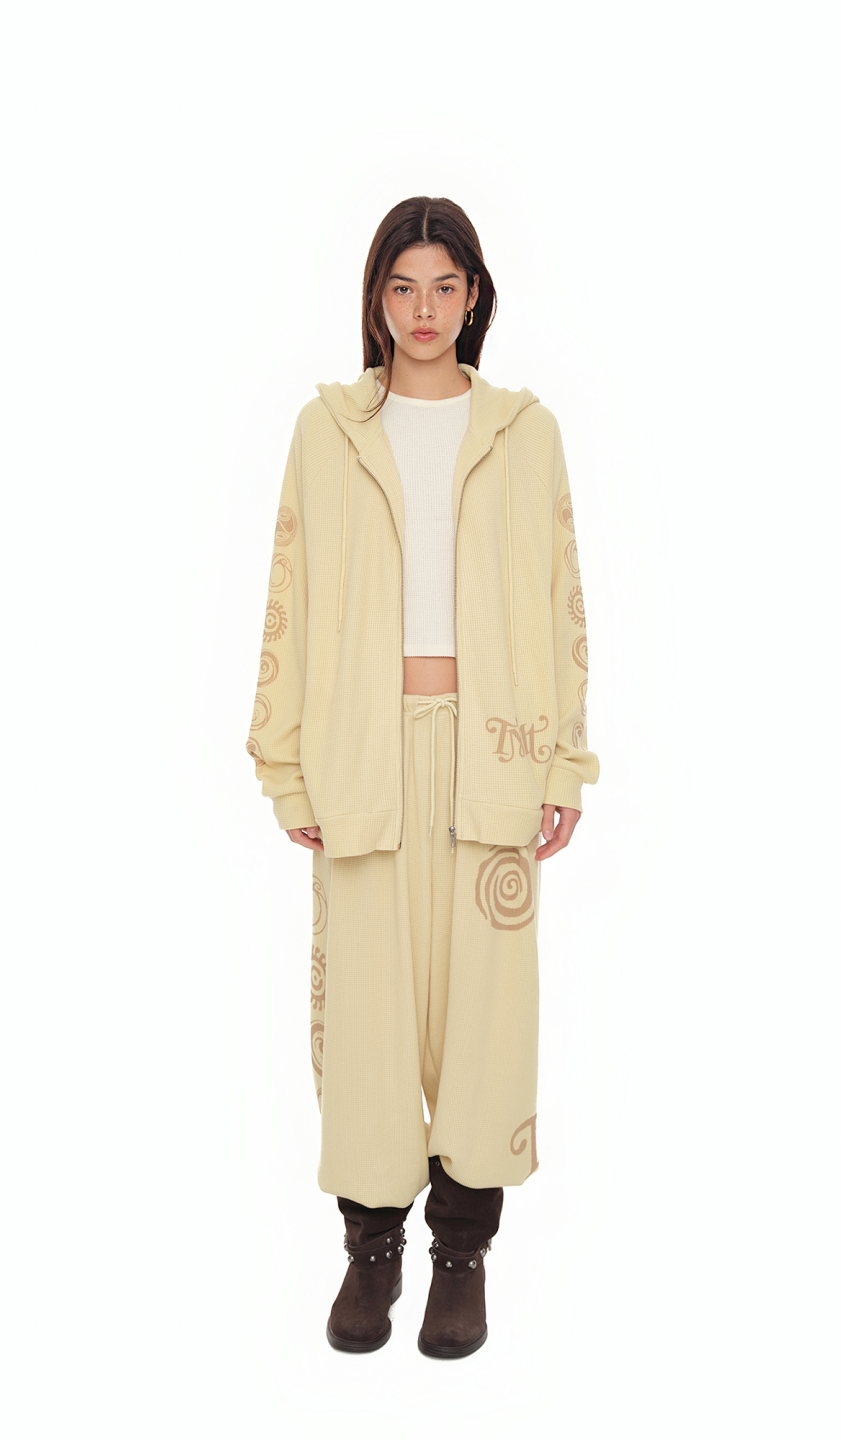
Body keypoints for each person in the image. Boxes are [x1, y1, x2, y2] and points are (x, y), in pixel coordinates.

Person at [246, 196, 600, 1358]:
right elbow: (289, 593)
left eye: (445, 286)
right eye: (403, 287)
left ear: (475, 296)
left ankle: (461, 1254)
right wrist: (288, 764)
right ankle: (371, 1246)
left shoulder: (525, 432)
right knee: (369, 1014)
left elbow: (561, 598)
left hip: (494, 747)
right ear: (377, 300)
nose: (424, 309)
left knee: (486, 1013)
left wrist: (562, 761)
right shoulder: (329, 432)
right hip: (363, 748)